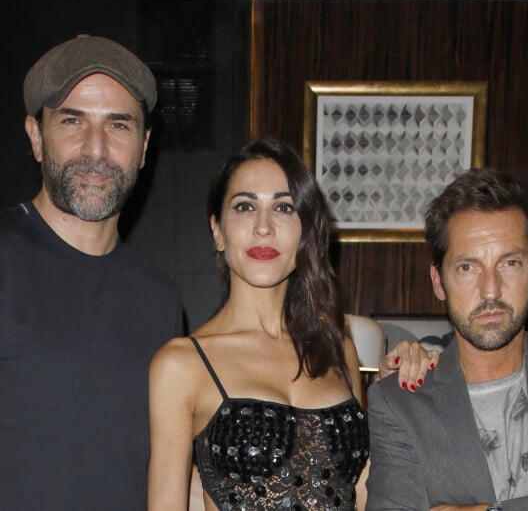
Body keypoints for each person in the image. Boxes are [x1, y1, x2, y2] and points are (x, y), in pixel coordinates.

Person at [148, 139, 435, 511]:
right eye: (245, 206)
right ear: (217, 231)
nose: (264, 227)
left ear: (305, 231)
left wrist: (397, 397)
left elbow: (361, 492)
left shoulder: (337, 346)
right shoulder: (180, 364)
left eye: (283, 207)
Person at [0, 35, 184, 511]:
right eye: (72, 121)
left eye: (118, 125)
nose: (96, 149)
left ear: (144, 147)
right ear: (35, 136)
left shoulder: (160, 300)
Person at [366, 168, 528, 511]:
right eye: (468, 267)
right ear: (438, 281)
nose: (490, 289)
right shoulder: (399, 403)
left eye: (510, 263)